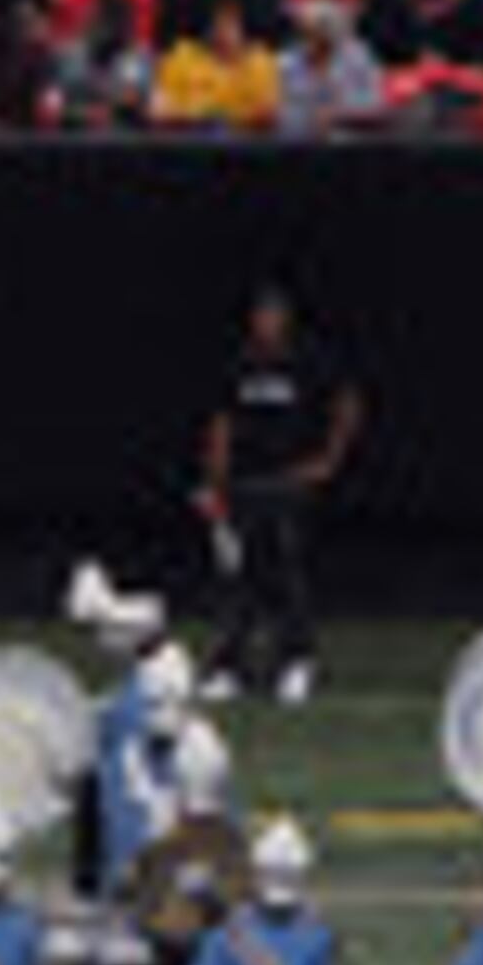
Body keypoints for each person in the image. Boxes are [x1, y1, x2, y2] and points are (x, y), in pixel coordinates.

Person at [192, 282, 361, 704]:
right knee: (240, 580)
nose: (267, 323)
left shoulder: (307, 360)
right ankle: (231, 670)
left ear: (285, 320)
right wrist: (213, 485)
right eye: (261, 316)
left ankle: (296, 664)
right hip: (243, 487)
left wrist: (328, 459)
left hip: (290, 485)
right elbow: (221, 426)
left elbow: (348, 403)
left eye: (274, 315)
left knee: (289, 576)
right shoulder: (239, 363)